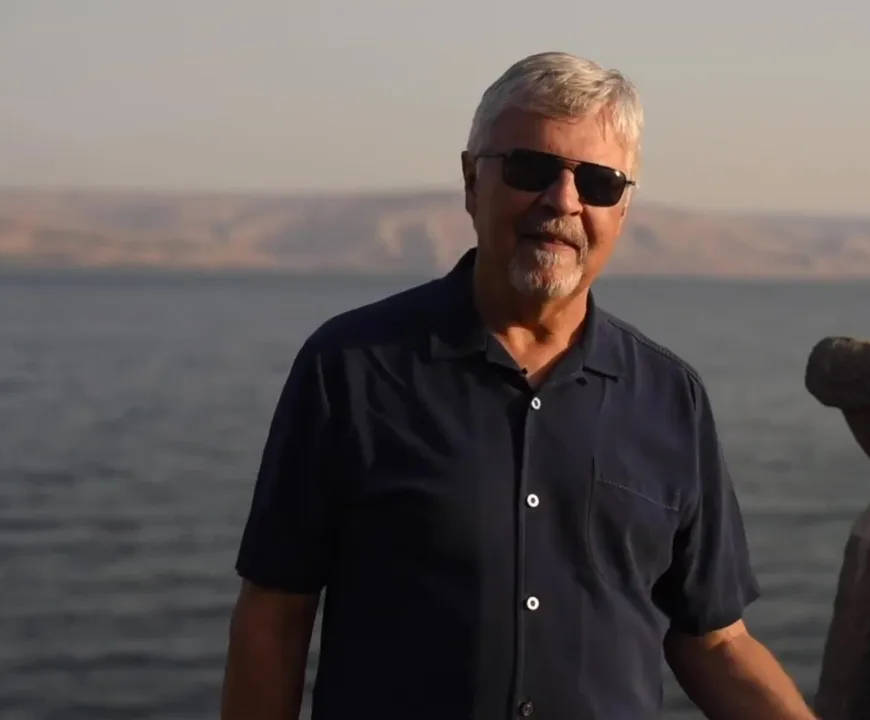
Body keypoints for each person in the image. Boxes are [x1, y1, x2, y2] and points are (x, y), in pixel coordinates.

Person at [220, 51, 818, 720]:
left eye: (599, 182)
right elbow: (275, 613)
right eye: (531, 169)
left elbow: (714, 639)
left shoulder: (669, 397)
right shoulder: (352, 369)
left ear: (622, 209)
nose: (562, 201)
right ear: (471, 181)